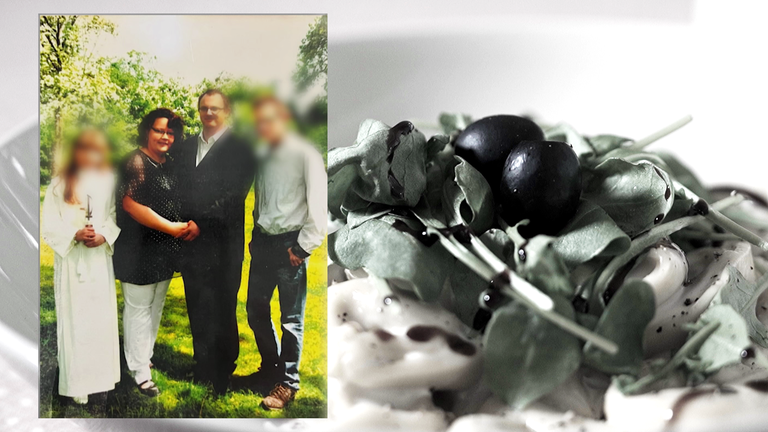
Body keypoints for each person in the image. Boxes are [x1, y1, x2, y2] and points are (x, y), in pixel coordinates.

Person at [172, 89, 256, 394]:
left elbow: (235, 195)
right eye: (204, 108)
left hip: (223, 243)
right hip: (190, 241)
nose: (209, 113)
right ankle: (202, 364)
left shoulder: (242, 148)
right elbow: (178, 190)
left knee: (222, 306)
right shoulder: (186, 147)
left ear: (227, 112)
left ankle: (223, 370)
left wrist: (201, 224)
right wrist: (182, 225)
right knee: (197, 304)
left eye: (215, 109)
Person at [246, 96, 327, 410]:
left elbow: (318, 206)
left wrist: (302, 248)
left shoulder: (305, 154)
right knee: (255, 310)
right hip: (263, 244)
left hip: (290, 246)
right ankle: (271, 369)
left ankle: (288, 383)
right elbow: (262, 200)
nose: (263, 126)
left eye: (269, 119)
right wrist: (255, 234)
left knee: (291, 320)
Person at [41, 129, 121, 405]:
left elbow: (112, 217)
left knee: (100, 319)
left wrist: (103, 235)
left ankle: (102, 379)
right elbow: (49, 225)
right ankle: (77, 383)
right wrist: (74, 235)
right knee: (76, 320)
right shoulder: (58, 185)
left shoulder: (108, 182)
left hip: (98, 261)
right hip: (72, 262)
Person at [113, 108, 189, 397]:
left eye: (170, 132)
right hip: (137, 250)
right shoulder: (134, 161)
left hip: (163, 251)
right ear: (147, 131)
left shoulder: (168, 164)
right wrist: (171, 227)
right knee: (138, 309)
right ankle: (139, 371)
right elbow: (131, 204)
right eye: (159, 130)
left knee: (155, 306)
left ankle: (144, 356)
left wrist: (183, 227)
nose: (165, 136)